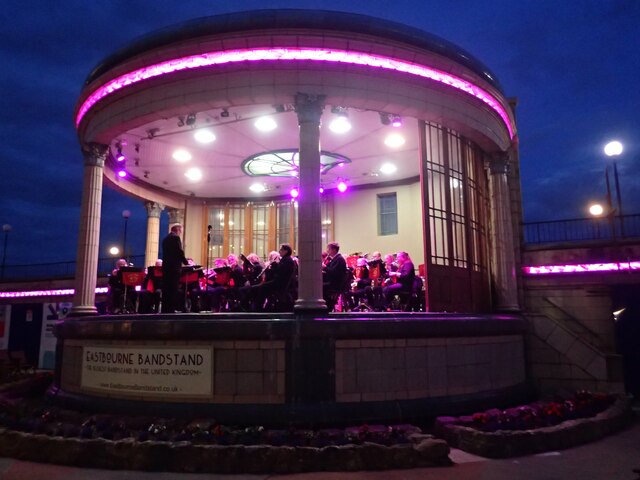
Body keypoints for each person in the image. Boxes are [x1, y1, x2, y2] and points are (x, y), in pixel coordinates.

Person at [161, 224, 189, 313]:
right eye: (180, 231)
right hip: (174, 268)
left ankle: (165, 309)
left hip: (166, 267)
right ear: (177, 230)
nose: (180, 233)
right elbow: (179, 251)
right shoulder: (176, 238)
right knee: (173, 288)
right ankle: (172, 309)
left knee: (166, 289)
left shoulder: (165, 239)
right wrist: (186, 262)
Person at [323, 242, 347, 311]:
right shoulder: (335, 259)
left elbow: (333, 272)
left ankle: (326, 307)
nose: (327, 251)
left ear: (334, 250)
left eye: (329, 249)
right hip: (332, 282)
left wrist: (325, 267)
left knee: (318, 287)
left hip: (334, 284)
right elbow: (331, 270)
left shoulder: (339, 259)